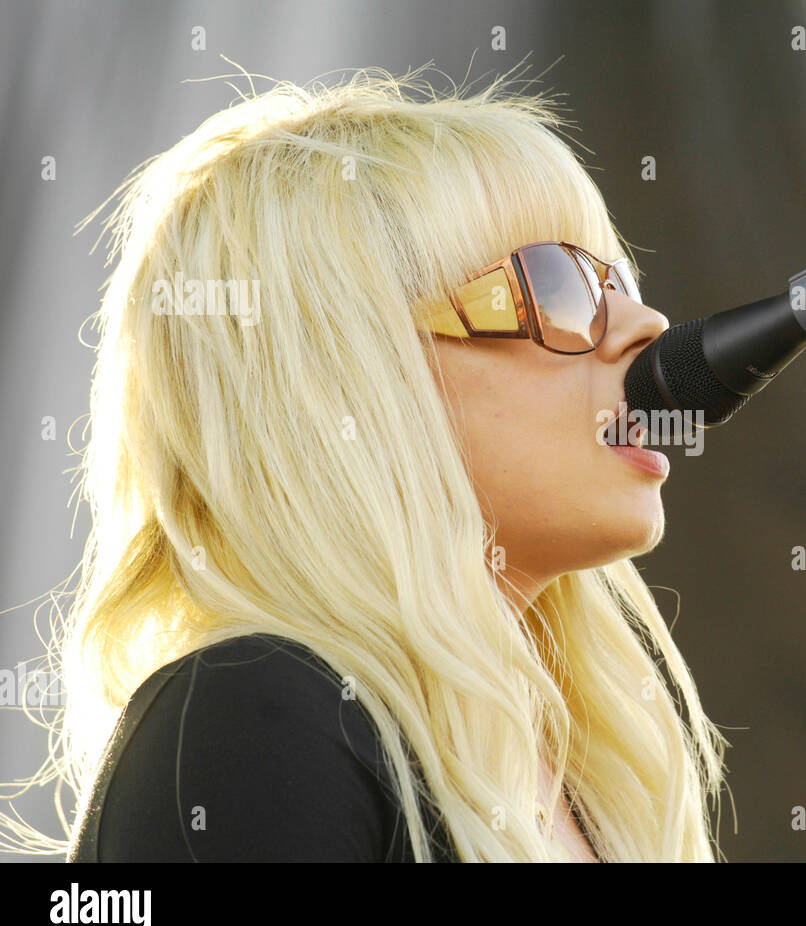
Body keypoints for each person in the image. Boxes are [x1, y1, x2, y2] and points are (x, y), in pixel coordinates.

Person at [3, 65, 727, 862]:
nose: (647, 323)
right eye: (553, 285)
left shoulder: (586, 775)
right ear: (345, 371)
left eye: (618, 283)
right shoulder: (257, 713)